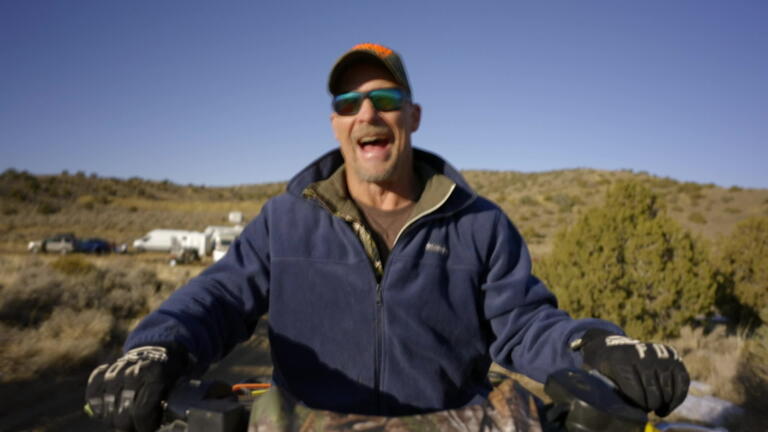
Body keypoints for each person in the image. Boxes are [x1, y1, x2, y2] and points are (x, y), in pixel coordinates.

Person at [85, 43, 690, 431]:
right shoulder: (285, 219)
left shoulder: (479, 223)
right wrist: (156, 349)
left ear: (413, 116)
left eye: (385, 98)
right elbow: (218, 297)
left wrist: (597, 347)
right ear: (336, 123)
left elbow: (527, 324)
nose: (367, 113)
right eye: (349, 101)